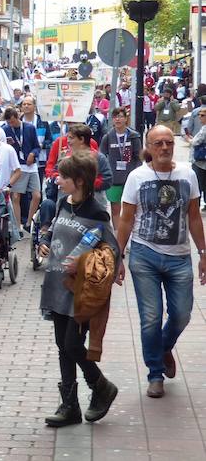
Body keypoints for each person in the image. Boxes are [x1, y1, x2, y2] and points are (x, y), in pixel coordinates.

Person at [116, 125, 206, 399]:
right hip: (144, 255)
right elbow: (126, 220)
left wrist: (203, 253)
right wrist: (118, 256)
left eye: (169, 142)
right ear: (149, 147)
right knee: (151, 317)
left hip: (179, 257)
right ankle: (155, 374)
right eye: (159, 143)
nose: (165, 147)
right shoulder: (137, 177)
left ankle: (163, 347)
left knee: (182, 314)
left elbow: (194, 217)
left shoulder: (187, 174)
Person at [38, 154, 120, 427]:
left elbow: (111, 251)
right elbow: (52, 230)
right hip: (56, 286)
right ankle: (70, 407)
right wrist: (44, 240)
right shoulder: (63, 203)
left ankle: (101, 386)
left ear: (80, 180)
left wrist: (84, 261)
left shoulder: (97, 213)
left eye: (63, 177)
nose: (58, 180)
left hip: (80, 291)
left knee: (73, 344)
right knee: (63, 346)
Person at [1, 107, 42, 233]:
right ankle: (17, 225)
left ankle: (29, 222)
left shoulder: (29, 128)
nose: (11, 124)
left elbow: (37, 147)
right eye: (9, 122)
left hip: (31, 166)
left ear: (17, 117)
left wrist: (33, 154)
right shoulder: (5, 129)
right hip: (17, 166)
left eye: (13, 121)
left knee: (36, 195)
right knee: (15, 196)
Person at [100, 108, 142, 226]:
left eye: (120, 116)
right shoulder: (108, 137)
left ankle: (131, 232)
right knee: (115, 209)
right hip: (114, 179)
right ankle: (118, 233)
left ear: (126, 119)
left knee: (131, 209)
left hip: (130, 178)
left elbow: (139, 157)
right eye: (115, 117)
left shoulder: (133, 136)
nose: (117, 119)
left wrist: (137, 174)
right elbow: (102, 156)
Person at [190, 111, 206, 209]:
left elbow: (196, 142)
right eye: (199, 115)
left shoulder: (204, 129)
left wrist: (189, 140)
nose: (200, 117)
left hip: (200, 161)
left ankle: (196, 205)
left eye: (202, 115)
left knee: (198, 184)